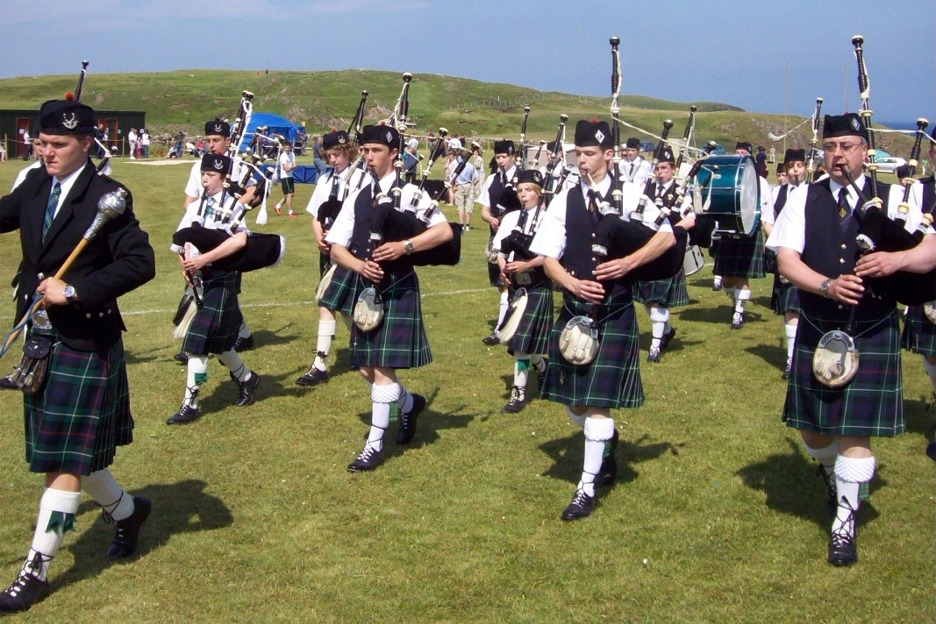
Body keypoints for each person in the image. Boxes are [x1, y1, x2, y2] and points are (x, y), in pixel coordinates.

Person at [0, 99, 157, 612]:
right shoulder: (34, 185)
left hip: (85, 338)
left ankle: (37, 569)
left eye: (58, 145)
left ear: (86, 144)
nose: (46, 152)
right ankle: (128, 512)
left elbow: (140, 262)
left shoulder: (108, 197)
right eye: (41, 143)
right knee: (65, 453)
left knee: (64, 458)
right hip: (39, 339)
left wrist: (77, 291)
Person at [766, 113, 936, 566]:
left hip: (873, 327)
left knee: (855, 434)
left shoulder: (900, 195)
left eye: (847, 146)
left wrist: (896, 263)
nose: (838, 155)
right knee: (812, 431)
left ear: (865, 151)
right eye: (831, 146)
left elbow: (931, 250)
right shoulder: (804, 196)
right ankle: (828, 472)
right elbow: (786, 259)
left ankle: (844, 522)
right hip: (819, 325)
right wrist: (825, 285)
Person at [529, 119, 676, 520]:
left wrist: (629, 261)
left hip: (614, 311)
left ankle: (586, 486)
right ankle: (607, 443)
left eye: (590, 155)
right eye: (578, 155)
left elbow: (666, 235)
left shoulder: (630, 194)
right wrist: (572, 286)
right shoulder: (564, 198)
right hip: (575, 308)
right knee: (574, 404)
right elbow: (547, 256)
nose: (582, 162)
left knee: (596, 404)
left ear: (609, 155)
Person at [325, 124, 453, 472]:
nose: (368, 157)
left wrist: (405, 246)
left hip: (398, 287)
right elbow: (335, 247)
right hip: (366, 288)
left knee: (382, 370)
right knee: (366, 368)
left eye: (375, 151)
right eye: (364, 150)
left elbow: (443, 231)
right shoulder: (359, 195)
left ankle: (374, 444)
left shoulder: (411, 194)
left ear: (394, 154)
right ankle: (409, 405)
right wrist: (359, 265)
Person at [167, 153, 262, 424]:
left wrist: (204, 259)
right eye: (203, 175)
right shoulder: (196, 207)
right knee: (218, 342)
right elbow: (181, 238)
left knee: (197, 342)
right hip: (201, 281)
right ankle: (247, 377)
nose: (205, 180)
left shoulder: (234, 206)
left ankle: (190, 404)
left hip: (223, 278)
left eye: (210, 176)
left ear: (223, 178)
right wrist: (186, 264)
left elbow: (240, 241)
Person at [180, 119, 255, 354]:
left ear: (228, 141)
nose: (211, 145)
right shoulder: (199, 167)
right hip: (203, 233)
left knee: (226, 289)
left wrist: (231, 208)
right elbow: (189, 200)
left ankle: (214, 338)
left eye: (217, 140)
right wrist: (196, 221)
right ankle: (231, 335)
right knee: (200, 286)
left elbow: (254, 190)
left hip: (229, 236)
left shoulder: (239, 166)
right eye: (209, 140)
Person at [297, 129, 366, 386]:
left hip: (348, 251)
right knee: (339, 304)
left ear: (348, 152)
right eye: (329, 155)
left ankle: (320, 364)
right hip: (327, 250)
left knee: (328, 302)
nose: (333, 160)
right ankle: (360, 343)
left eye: (337, 154)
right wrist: (319, 238)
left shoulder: (361, 179)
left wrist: (339, 241)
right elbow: (317, 215)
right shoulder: (325, 180)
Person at [491, 169, 552, 412]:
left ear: (538, 192)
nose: (523, 195)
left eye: (528, 190)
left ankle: (518, 394)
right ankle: (543, 367)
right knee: (523, 343)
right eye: (520, 191)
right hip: (518, 286)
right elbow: (499, 251)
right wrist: (504, 268)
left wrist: (526, 264)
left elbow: (551, 255)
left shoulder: (549, 219)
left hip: (538, 284)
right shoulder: (510, 218)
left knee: (520, 345)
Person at [631, 147, 695, 363]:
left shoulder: (682, 192)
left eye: (664, 168)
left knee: (658, 301)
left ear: (673, 169)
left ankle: (655, 347)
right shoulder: (646, 189)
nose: (660, 173)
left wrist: (671, 232)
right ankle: (666, 330)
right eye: (657, 168)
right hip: (648, 249)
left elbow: (690, 220)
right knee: (649, 301)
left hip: (669, 251)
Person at [900, 127, 936, 459]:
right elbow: (910, 235)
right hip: (930, 283)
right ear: (931, 155)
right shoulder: (918, 192)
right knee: (932, 355)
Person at [713, 141, 769, 329]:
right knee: (727, 278)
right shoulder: (728, 178)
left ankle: (739, 313)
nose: (739, 155)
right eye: (737, 152)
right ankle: (735, 301)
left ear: (750, 156)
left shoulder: (760, 181)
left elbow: (765, 208)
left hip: (749, 231)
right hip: (729, 230)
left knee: (741, 275)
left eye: (743, 152)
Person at [762, 148, 807, 378]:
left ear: (805, 168)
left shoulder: (814, 192)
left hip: (811, 261)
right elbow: (767, 222)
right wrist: (783, 248)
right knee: (791, 308)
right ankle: (791, 360)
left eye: (799, 165)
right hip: (788, 259)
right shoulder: (777, 193)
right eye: (791, 166)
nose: (795, 170)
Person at [477, 139, 520, 345]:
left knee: (507, 283)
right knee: (500, 283)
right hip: (496, 239)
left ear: (513, 156)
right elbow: (484, 210)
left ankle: (501, 329)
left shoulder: (523, 179)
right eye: (498, 157)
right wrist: (492, 219)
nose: (501, 161)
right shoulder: (492, 179)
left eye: (505, 157)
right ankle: (510, 324)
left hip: (518, 240)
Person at [450, 141, 478, 232]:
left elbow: (452, 177)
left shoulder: (458, 166)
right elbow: (477, 178)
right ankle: (468, 225)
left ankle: (462, 225)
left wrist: (453, 186)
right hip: (469, 186)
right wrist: (473, 184)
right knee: (468, 206)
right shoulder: (471, 166)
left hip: (459, 186)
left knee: (460, 207)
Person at [274, 141, 297, 217]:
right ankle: (290, 212)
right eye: (286, 148)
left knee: (291, 194)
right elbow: (286, 169)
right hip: (285, 177)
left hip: (290, 176)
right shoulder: (283, 156)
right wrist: (292, 167)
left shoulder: (292, 154)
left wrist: (291, 167)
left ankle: (278, 206)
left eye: (288, 148)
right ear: (283, 148)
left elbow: (294, 164)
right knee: (289, 195)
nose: (287, 150)